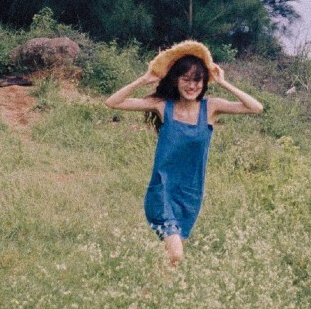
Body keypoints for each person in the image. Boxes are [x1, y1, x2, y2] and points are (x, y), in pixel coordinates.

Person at [105, 39, 263, 266]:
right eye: (186, 79)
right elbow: (113, 102)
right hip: (162, 190)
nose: (192, 86)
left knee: (172, 262)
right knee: (176, 254)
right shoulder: (163, 106)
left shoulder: (211, 108)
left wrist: (223, 82)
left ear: (204, 82)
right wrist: (144, 79)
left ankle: (149, 298)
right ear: (176, 81)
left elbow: (255, 108)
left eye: (197, 80)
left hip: (191, 194)